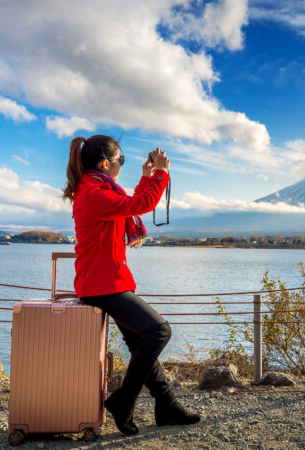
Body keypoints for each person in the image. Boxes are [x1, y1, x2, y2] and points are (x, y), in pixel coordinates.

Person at [62, 135, 200, 435]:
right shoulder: (95, 193)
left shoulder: (96, 188)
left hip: (104, 280)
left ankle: (167, 406)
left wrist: (146, 176)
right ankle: (124, 400)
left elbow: (127, 205)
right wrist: (162, 173)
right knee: (159, 330)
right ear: (105, 163)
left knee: (140, 344)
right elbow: (141, 203)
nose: (121, 166)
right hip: (104, 284)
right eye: (120, 161)